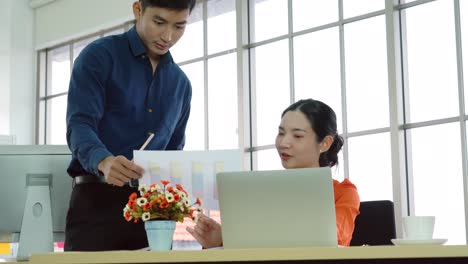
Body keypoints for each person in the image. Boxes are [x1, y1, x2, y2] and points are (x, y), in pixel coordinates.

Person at [64, 0, 196, 251]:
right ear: (137, 10)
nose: (168, 36)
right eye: (159, 22)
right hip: (96, 206)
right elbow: (79, 124)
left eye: (179, 26)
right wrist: (104, 161)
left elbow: (173, 153)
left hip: (153, 215)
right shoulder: (99, 57)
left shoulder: (181, 85)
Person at [187, 98, 360, 247]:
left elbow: (333, 238)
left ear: (324, 143)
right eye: (281, 133)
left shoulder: (344, 192)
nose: (284, 143)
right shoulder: (263, 191)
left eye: (297, 136)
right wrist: (220, 240)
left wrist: (236, 236)